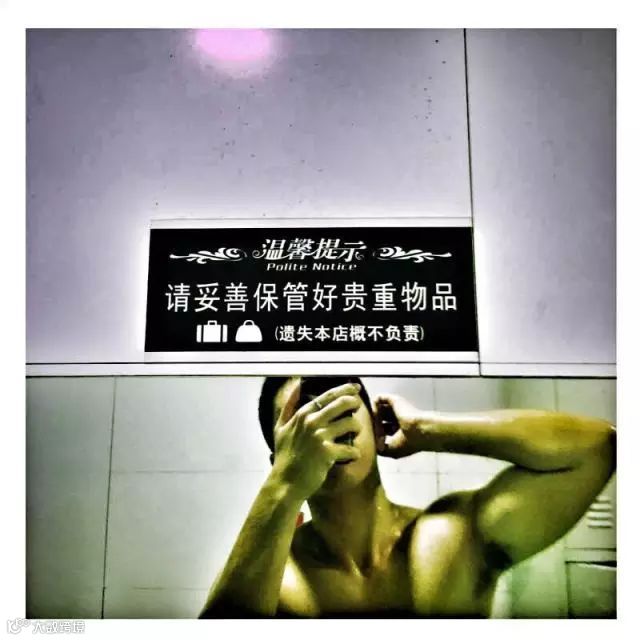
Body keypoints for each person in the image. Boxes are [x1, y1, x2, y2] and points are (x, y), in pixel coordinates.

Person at [199, 376, 616, 618]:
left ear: (375, 426)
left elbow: (595, 449)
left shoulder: (452, 537)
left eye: (339, 406)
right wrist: (285, 485)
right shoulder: (273, 579)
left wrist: (428, 430)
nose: (325, 425)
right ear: (280, 458)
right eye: (304, 418)